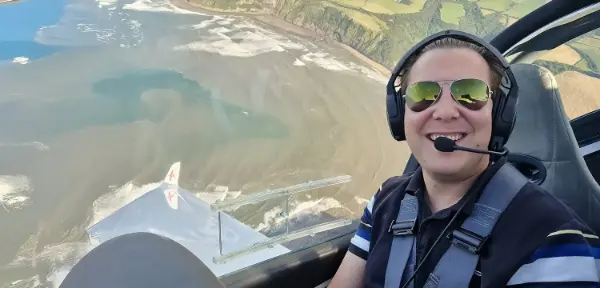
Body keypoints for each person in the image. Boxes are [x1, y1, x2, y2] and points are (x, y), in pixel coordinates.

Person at [329, 31, 600, 288]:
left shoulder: (555, 242)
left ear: (500, 115)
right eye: (423, 94)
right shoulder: (385, 200)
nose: (445, 112)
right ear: (400, 114)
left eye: (470, 93)